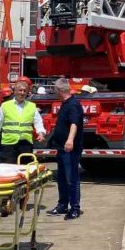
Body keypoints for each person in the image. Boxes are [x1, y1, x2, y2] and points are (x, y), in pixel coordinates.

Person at [0, 80, 45, 165]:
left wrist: (41, 133)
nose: (22, 93)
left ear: (27, 93)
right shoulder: (5, 106)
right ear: (15, 91)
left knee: (25, 169)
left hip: (25, 144)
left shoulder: (32, 106)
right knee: (8, 169)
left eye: (24, 91)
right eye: (20, 90)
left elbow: (38, 122)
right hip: (8, 145)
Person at [49, 77, 84, 220]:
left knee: (71, 178)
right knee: (62, 178)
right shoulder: (65, 104)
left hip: (69, 149)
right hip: (61, 148)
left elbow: (74, 123)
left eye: (54, 89)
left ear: (59, 90)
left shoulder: (73, 105)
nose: (53, 92)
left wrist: (70, 140)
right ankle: (62, 205)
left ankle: (75, 208)